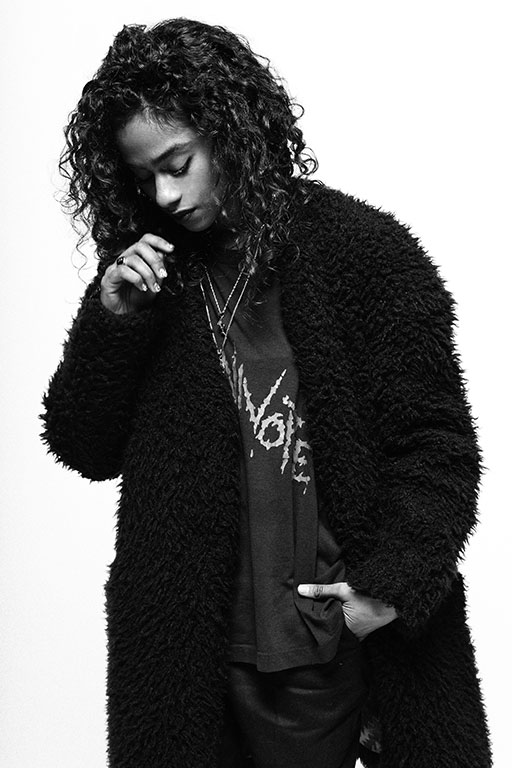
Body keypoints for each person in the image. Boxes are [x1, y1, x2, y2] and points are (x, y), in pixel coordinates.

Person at [41, 17, 491, 768]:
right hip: (191, 659)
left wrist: (388, 588)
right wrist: (113, 321)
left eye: (178, 163)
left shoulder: (363, 253)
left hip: (327, 649)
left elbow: (436, 445)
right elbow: (83, 446)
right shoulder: (151, 283)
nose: (165, 194)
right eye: (144, 178)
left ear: (231, 131)